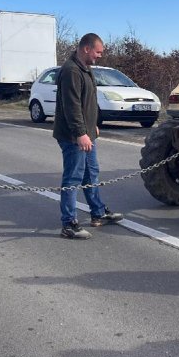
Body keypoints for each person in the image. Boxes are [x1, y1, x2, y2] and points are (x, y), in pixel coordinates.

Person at [53, 33, 124, 239]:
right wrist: (81, 133)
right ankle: (68, 224)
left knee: (91, 173)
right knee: (73, 178)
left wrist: (92, 127)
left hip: (86, 132)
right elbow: (72, 106)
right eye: (98, 51)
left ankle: (98, 213)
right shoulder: (71, 71)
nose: (100, 55)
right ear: (86, 48)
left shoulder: (86, 69)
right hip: (72, 136)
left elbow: (88, 102)